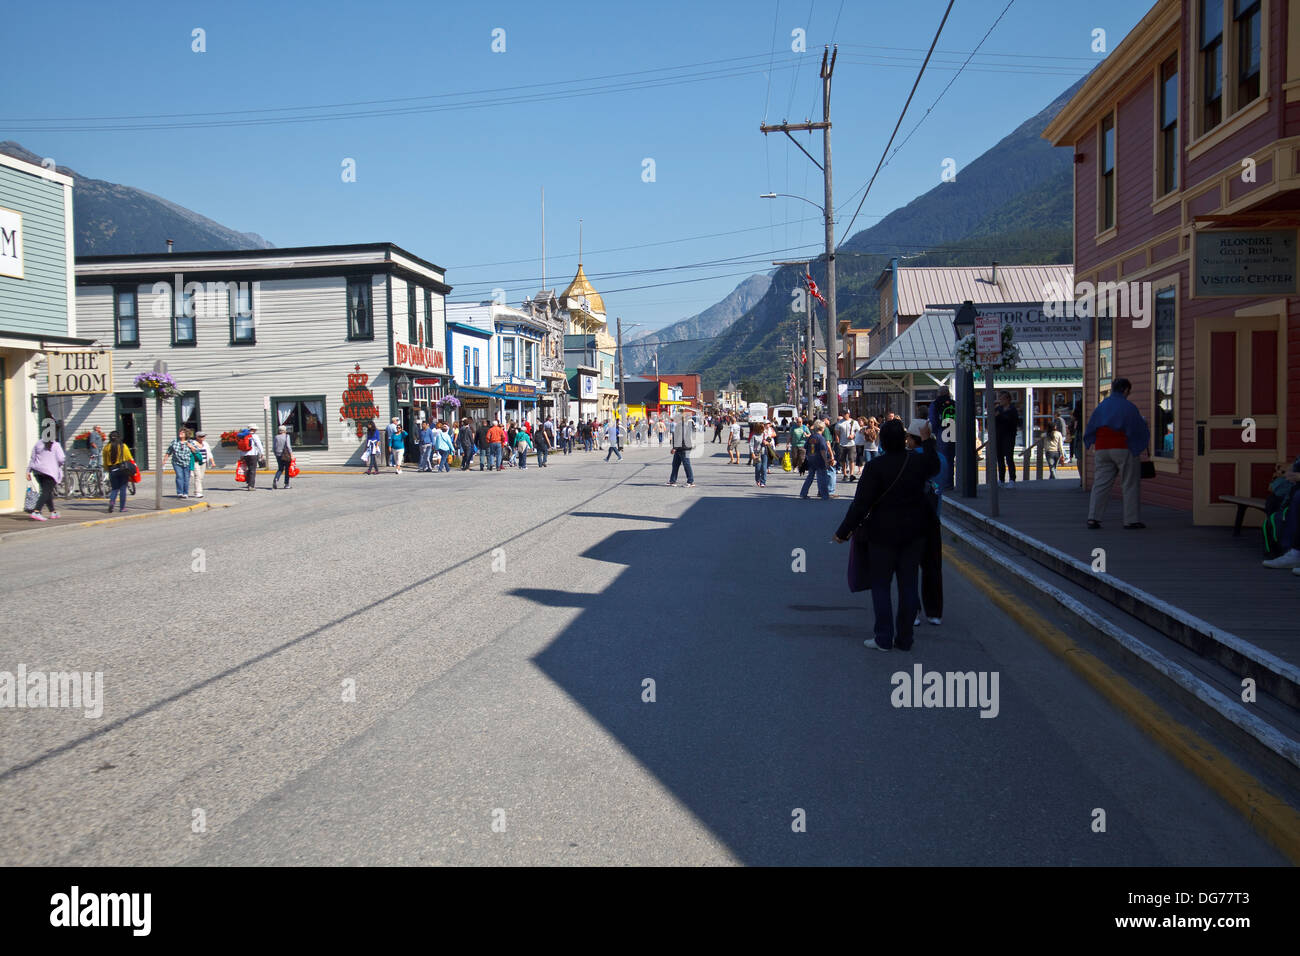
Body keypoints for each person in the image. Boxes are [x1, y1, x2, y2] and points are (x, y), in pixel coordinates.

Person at [833, 419, 940, 651]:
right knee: (909, 585)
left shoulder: (875, 467)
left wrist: (844, 532)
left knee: (881, 586)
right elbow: (935, 465)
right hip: (914, 533)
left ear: (882, 441)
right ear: (904, 440)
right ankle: (905, 639)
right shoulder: (918, 462)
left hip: (882, 534)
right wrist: (928, 439)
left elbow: (860, 505)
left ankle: (883, 637)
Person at [1083, 377, 1151, 529]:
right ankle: (1131, 520)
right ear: (1126, 390)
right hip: (1123, 447)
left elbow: (1091, 427)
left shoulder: (1101, 406)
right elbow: (1137, 428)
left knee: (1100, 484)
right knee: (1129, 483)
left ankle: (1093, 518)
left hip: (1101, 448)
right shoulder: (1128, 407)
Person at [906, 420, 944, 627]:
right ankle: (934, 612)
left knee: (909, 568)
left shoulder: (909, 460)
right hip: (933, 519)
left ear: (913, 439)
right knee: (932, 569)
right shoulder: (941, 460)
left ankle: (913, 611)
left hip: (911, 520)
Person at [26, 435, 65, 520]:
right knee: (46, 492)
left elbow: (32, 458)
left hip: (38, 471)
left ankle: (53, 512)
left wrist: (28, 471)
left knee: (47, 491)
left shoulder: (38, 443)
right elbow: (61, 459)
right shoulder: (56, 445)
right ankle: (36, 511)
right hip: (50, 472)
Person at [102, 430, 135, 514]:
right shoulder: (123, 446)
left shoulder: (106, 448)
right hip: (122, 469)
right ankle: (122, 507)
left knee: (114, 489)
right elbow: (129, 457)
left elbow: (105, 461)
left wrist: (106, 470)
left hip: (112, 469)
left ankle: (112, 502)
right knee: (123, 489)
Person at [993, 391, 1021, 489]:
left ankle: (1012, 479)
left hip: (1009, 436)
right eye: (1000, 398)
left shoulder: (1012, 409)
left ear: (1007, 399)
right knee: (1000, 458)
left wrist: (1001, 416)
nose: (1001, 400)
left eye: (1002, 398)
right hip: (999, 435)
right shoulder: (998, 409)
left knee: (1009, 458)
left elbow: (1013, 421)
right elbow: (993, 420)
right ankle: (1001, 479)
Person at [799, 421, 833, 500]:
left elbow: (806, 447)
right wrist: (826, 461)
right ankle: (824, 495)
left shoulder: (811, 437)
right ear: (822, 428)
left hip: (811, 459)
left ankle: (803, 493)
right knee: (822, 478)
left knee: (810, 477)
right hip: (819, 460)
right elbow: (823, 450)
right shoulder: (821, 438)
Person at [666, 410, 696, 487]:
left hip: (683, 448)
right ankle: (672, 481)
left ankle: (690, 481)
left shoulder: (681, 426)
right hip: (680, 448)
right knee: (675, 464)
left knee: (686, 464)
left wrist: (675, 448)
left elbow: (680, 438)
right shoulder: (681, 425)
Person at [165, 427, 195, 498]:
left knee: (186, 478)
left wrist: (190, 446)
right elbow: (169, 451)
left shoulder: (190, 442)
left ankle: (185, 493)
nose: (180, 433)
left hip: (187, 462)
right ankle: (180, 492)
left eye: (183, 432)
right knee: (179, 476)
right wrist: (164, 461)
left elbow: (195, 451)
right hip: (176, 462)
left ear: (186, 434)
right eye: (180, 432)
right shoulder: (175, 442)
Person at [241, 424, 265, 490]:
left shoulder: (243, 435)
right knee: (252, 470)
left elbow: (241, 446)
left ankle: (248, 482)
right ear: (253, 429)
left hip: (245, 455)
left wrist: (241, 455)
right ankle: (251, 486)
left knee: (249, 468)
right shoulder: (254, 436)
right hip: (253, 454)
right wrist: (262, 453)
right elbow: (259, 445)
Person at [191, 430, 214, 498]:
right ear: (197, 437)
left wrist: (212, 461)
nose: (203, 437)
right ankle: (198, 492)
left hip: (203, 462)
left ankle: (196, 491)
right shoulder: (193, 443)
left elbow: (209, 453)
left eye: (204, 436)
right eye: (201, 436)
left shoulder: (206, 444)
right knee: (197, 476)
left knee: (201, 477)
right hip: (196, 461)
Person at [750, 423, 772, 488]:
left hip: (764, 453)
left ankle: (763, 482)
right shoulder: (754, 436)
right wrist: (752, 454)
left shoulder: (764, 434)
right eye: (762, 428)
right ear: (758, 428)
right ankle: (757, 479)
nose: (763, 429)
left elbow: (769, 441)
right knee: (758, 468)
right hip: (757, 454)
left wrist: (767, 442)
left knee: (764, 468)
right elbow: (751, 445)